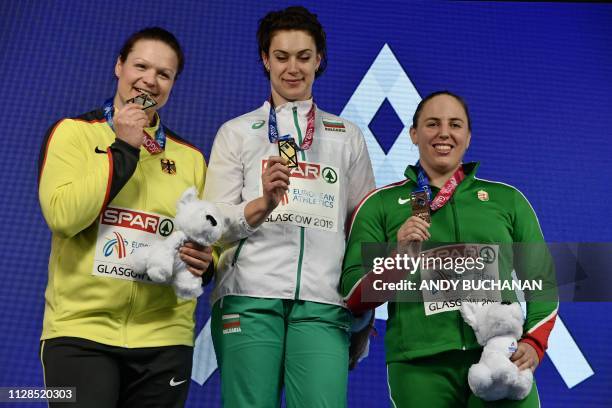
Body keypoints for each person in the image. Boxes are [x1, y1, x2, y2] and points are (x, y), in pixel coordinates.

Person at [203, 6, 375, 407]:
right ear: (266, 59)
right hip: (248, 296)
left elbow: (362, 227)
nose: (292, 68)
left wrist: (362, 310)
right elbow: (211, 223)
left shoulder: (346, 136)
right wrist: (261, 204)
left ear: (319, 60)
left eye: (303, 57)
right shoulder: (236, 133)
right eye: (281, 57)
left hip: (324, 302)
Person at [341, 91, 558, 407]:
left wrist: (535, 342)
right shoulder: (381, 205)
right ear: (414, 134)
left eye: (455, 124)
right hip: (418, 365)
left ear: (468, 137)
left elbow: (542, 280)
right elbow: (353, 296)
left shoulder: (507, 200)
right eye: (432, 124)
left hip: (499, 357)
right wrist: (399, 258)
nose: (444, 133)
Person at [38, 27, 212, 408]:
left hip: (166, 340)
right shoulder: (73, 134)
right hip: (80, 334)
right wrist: (123, 148)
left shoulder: (191, 159)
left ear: (172, 84)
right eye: (141, 66)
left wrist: (207, 262)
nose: (150, 79)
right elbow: (64, 217)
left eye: (163, 74)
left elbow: (210, 241)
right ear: (119, 66)